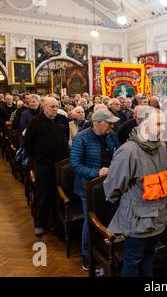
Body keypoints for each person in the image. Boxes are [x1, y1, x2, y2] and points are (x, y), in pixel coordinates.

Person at [104, 107, 167, 277]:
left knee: (149, 257)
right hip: (137, 220)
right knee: (133, 259)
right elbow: (113, 187)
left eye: (164, 123)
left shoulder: (161, 147)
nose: (164, 128)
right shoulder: (128, 151)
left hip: (159, 215)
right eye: (159, 124)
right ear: (146, 126)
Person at [71, 109, 119, 270]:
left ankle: (106, 249)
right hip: (88, 187)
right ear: (97, 123)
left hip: (110, 184)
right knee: (90, 220)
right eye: (109, 122)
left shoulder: (112, 135)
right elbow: (75, 166)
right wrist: (96, 172)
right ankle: (87, 255)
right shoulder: (81, 138)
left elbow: (117, 154)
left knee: (110, 217)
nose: (112, 126)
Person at [24, 97, 69, 236]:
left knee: (59, 194)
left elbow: (66, 137)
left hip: (60, 165)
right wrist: (39, 158)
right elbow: (28, 144)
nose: (55, 109)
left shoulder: (62, 119)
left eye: (57, 106)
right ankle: (41, 224)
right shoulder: (35, 122)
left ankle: (57, 223)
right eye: (52, 107)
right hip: (43, 164)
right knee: (43, 194)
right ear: (44, 106)